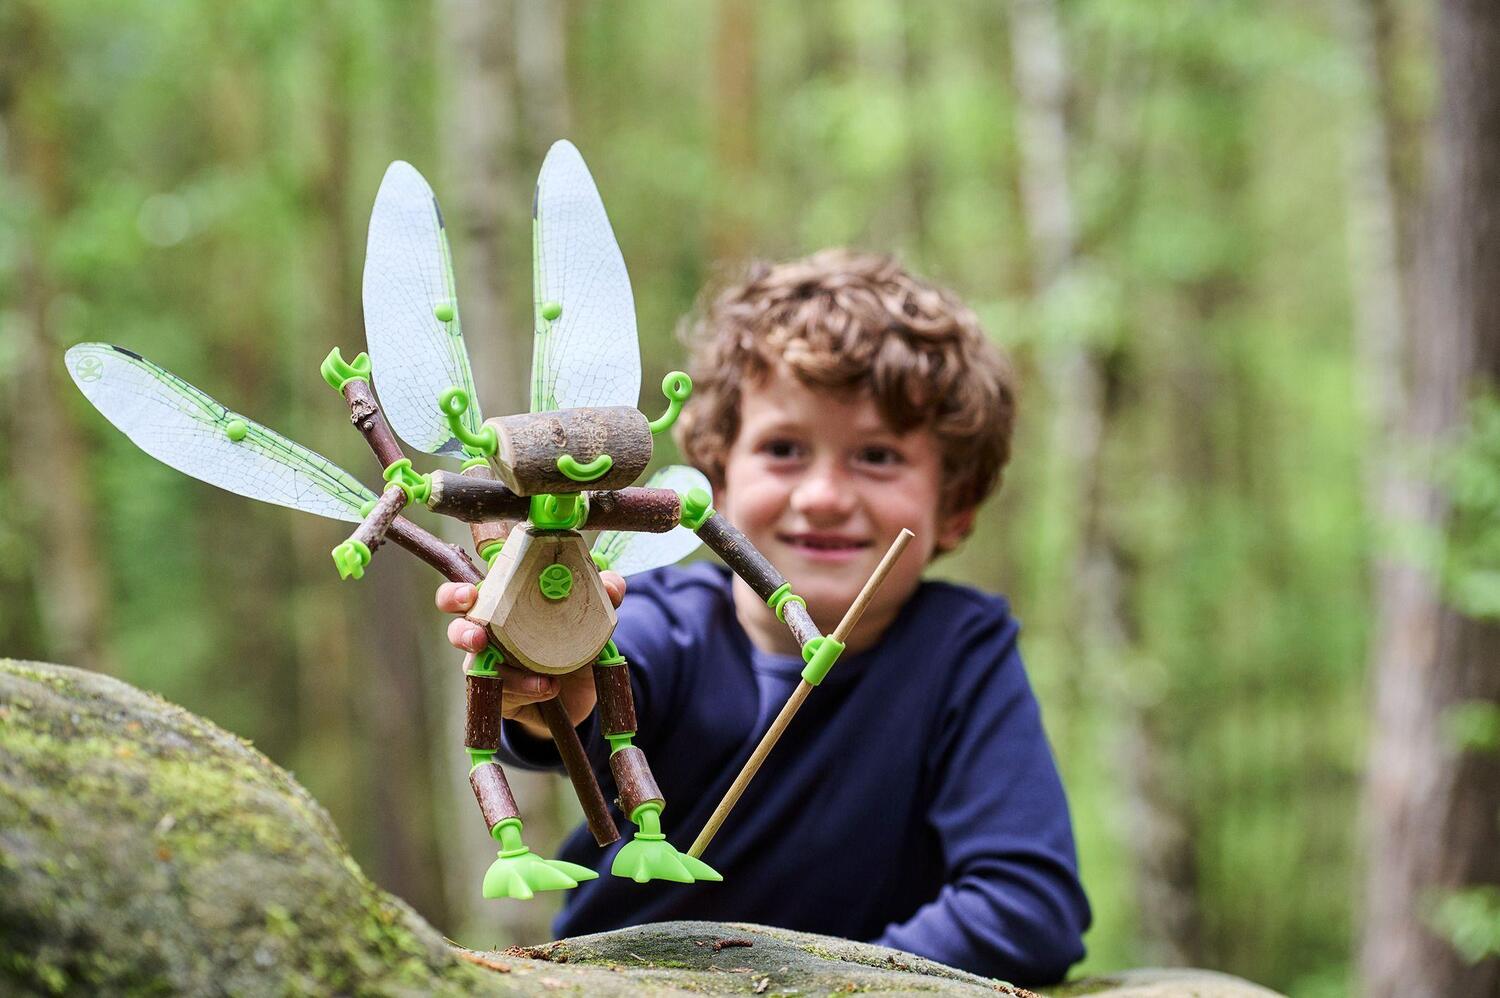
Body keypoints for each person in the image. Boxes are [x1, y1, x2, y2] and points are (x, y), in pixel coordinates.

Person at [436, 250, 1091, 986]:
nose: (822, 495)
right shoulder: (662, 622)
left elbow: (1028, 908)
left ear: (957, 506)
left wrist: (833, 984)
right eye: (784, 449)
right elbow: (587, 695)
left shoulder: (962, 654)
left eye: (876, 455)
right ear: (715, 474)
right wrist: (547, 681)